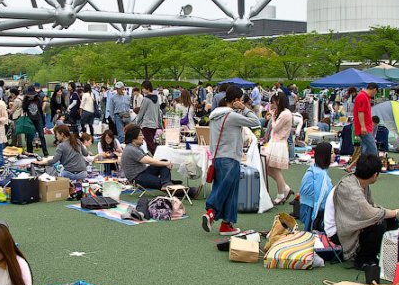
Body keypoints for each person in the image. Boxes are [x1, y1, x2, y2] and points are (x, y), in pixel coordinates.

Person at [333, 154, 399, 282]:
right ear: (375, 174)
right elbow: (370, 213)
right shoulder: (349, 187)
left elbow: (371, 209)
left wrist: (393, 214)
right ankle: (362, 260)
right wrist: (395, 212)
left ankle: (374, 256)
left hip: (351, 223)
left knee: (390, 220)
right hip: (339, 231)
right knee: (379, 225)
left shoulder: (360, 184)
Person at [202, 85, 260, 236]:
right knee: (230, 191)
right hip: (231, 157)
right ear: (235, 100)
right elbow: (256, 122)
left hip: (217, 158)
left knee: (223, 188)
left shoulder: (214, 116)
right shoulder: (231, 116)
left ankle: (226, 224)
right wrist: (245, 109)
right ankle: (212, 212)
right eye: (241, 100)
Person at [120, 124, 196, 195]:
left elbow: (149, 159)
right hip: (137, 178)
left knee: (163, 162)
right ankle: (189, 190)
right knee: (163, 174)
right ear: (133, 137)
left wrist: (165, 163)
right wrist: (166, 164)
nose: (143, 137)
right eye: (140, 135)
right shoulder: (131, 149)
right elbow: (148, 161)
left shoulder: (135, 147)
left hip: (143, 173)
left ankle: (167, 183)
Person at [263, 92, 293, 204]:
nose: (272, 104)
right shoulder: (283, 113)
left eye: (273, 102)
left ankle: (281, 194)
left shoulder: (285, 114)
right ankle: (285, 188)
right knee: (268, 168)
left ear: (278, 101)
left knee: (275, 170)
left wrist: (273, 116)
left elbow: (275, 127)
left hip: (278, 144)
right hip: (275, 143)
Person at [298, 142, 334, 231]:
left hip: (308, 207)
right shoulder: (320, 174)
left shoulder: (314, 168)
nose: (334, 155)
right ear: (325, 155)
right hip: (315, 211)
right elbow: (319, 199)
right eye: (332, 153)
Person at [134, 80, 162, 154]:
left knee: (149, 144)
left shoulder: (146, 99)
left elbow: (141, 112)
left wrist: (137, 123)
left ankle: (158, 156)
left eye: (143, 88)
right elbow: (158, 112)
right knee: (150, 142)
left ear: (147, 88)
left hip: (147, 125)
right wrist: (159, 123)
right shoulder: (157, 98)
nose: (142, 90)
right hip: (154, 125)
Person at [354, 83, 379, 157]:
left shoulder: (365, 96)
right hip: (365, 128)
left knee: (365, 148)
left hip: (366, 127)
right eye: (376, 92)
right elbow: (360, 112)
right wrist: (363, 126)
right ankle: (374, 162)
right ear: (374, 90)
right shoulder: (362, 96)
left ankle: (364, 162)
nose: (374, 94)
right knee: (372, 148)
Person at [23, 87, 48, 156]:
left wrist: (43, 121)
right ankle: (29, 152)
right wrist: (28, 101)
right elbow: (24, 109)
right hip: (30, 120)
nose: (31, 96)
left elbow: (41, 111)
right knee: (29, 136)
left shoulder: (38, 99)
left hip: (38, 119)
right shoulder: (26, 100)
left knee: (41, 135)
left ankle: (45, 152)